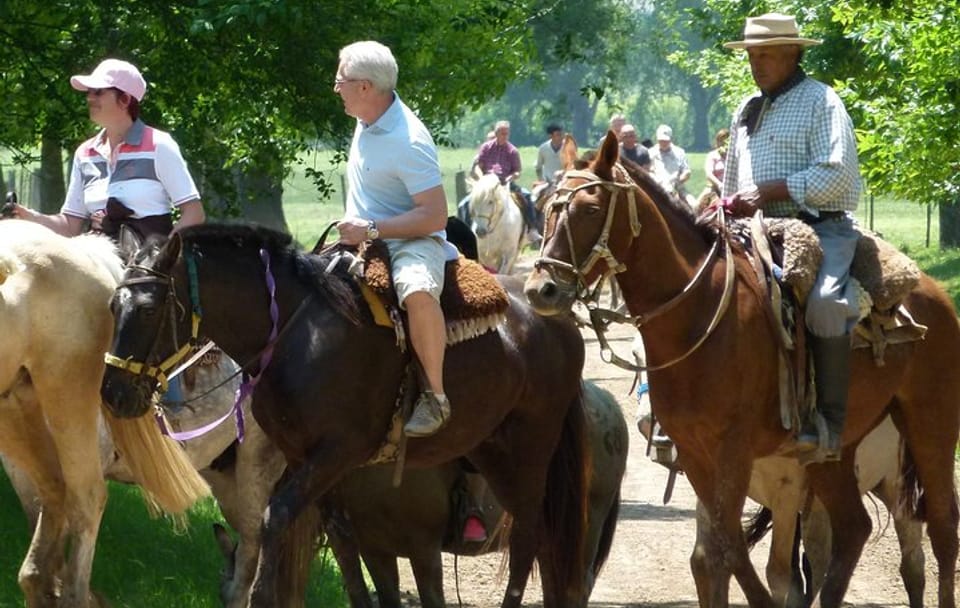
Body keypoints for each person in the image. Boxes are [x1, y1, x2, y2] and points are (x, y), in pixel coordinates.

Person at [722, 13, 862, 462]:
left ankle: (828, 423)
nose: (756, 64)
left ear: (793, 53)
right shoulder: (747, 107)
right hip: (754, 230)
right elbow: (732, 179)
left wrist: (772, 190)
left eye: (765, 55)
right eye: (751, 55)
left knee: (825, 303)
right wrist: (723, 208)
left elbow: (838, 176)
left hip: (820, 228)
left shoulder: (822, 101)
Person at [334, 40, 458, 437]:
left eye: (341, 80)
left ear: (365, 87)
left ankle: (435, 398)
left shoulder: (409, 140)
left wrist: (371, 229)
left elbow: (434, 215)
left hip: (413, 241)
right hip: (360, 238)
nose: (336, 87)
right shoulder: (367, 118)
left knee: (417, 291)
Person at [9, 58, 205, 238]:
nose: (89, 98)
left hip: (149, 263)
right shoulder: (84, 154)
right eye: (89, 92)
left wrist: (164, 253)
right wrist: (28, 216)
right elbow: (70, 226)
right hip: (98, 260)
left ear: (125, 99)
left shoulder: (159, 145)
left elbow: (194, 213)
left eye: (98, 92)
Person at [476, 120, 541, 243]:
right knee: (466, 202)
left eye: (507, 133)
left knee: (527, 196)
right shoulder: (486, 148)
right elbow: (479, 165)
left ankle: (532, 229)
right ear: (496, 133)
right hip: (487, 184)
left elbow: (517, 171)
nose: (505, 136)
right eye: (502, 133)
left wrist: (510, 178)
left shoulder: (512, 151)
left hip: (505, 183)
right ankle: (467, 230)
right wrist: (480, 177)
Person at [648, 124, 692, 204]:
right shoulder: (650, 153)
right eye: (661, 140)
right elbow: (647, 171)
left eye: (666, 141)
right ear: (657, 139)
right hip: (656, 189)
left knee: (693, 204)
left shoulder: (680, 152)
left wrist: (679, 181)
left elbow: (687, 171)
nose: (663, 143)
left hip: (677, 188)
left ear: (671, 139)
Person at [704, 128, 730, 196]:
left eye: (725, 140)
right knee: (699, 202)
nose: (723, 143)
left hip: (731, 187)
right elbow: (709, 174)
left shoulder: (733, 155)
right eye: (721, 140)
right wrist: (719, 184)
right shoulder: (712, 155)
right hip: (714, 187)